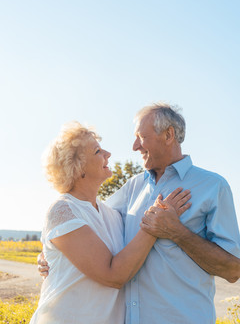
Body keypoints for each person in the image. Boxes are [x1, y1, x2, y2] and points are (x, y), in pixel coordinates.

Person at [39, 103, 240, 324]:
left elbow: (233, 270)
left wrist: (178, 233)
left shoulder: (213, 186)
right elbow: (83, 222)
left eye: (140, 137)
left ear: (168, 134)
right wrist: (53, 255)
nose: (135, 146)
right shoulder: (132, 188)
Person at [31, 120, 191, 324]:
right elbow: (112, 275)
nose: (108, 154)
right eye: (97, 151)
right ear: (78, 167)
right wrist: (155, 224)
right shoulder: (63, 210)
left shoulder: (110, 212)